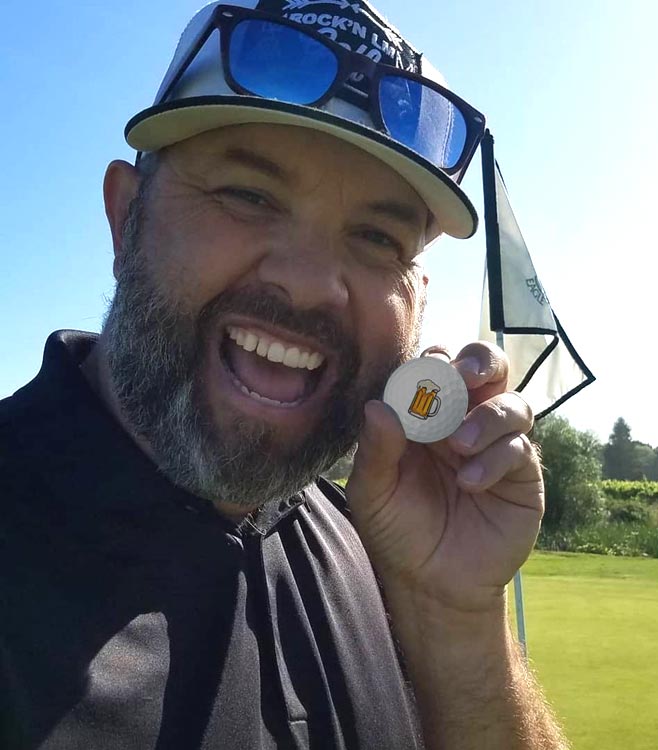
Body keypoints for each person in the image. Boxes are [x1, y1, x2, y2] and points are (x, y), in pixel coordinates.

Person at [0, 2, 569, 748]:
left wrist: (455, 622)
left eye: (376, 237)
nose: (307, 284)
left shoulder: (373, 546)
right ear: (124, 218)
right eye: (249, 196)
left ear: (418, 300)